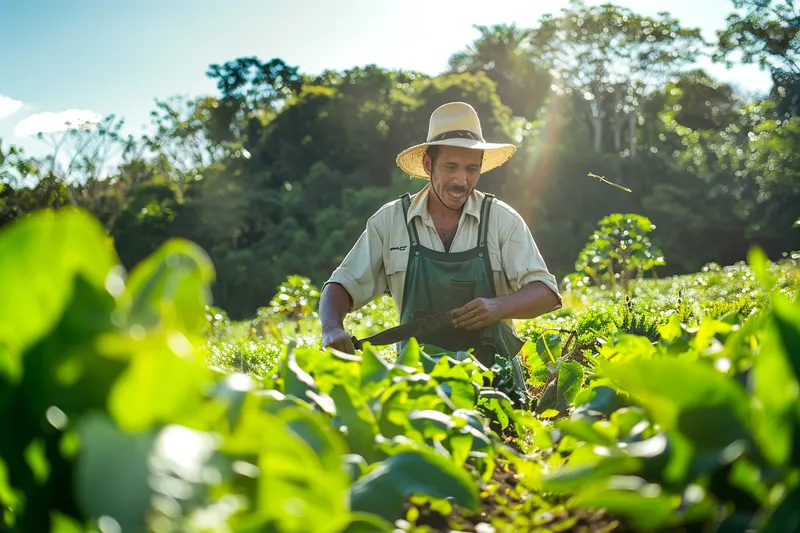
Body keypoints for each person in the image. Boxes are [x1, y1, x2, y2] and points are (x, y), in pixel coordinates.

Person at [319, 101, 562, 406]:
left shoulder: (502, 220)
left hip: (497, 387)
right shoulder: (390, 221)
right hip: (419, 385)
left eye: (472, 169)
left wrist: (498, 307)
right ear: (427, 165)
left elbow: (547, 293)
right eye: (451, 167)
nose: (462, 181)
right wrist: (331, 329)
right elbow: (340, 285)